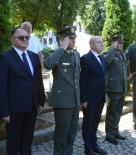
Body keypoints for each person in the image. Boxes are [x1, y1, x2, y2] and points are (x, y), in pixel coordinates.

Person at [1, 27, 45, 155]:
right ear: (12, 40)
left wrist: (41, 101)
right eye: (21, 37)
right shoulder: (5, 58)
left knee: (27, 141)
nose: (25, 40)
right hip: (14, 110)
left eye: (27, 37)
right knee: (13, 143)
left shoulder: (34, 57)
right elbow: (2, 86)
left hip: (32, 107)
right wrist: (4, 112)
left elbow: (38, 81)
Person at [43, 26, 80, 155]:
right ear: (63, 39)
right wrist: (61, 48)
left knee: (71, 135)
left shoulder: (76, 54)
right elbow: (47, 64)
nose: (74, 40)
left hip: (75, 101)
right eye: (71, 38)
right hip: (63, 103)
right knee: (61, 135)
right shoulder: (56, 53)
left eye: (74, 38)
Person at [80, 36, 107, 155]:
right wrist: (83, 98)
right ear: (91, 44)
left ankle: (94, 144)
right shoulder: (85, 59)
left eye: (102, 42)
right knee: (88, 123)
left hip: (100, 97)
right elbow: (82, 80)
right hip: (89, 99)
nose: (102, 44)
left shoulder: (101, 58)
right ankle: (88, 148)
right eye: (99, 42)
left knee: (95, 122)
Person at [103, 35, 127, 145]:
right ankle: (109, 134)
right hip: (112, 89)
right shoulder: (109, 54)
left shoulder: (121, 55)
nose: (122, 44)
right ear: (115, 43)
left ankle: (115, 130)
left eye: (122, 42)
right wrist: (112, 48)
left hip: (121, 88)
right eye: (120, 43)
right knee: (111, 113)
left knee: (118, 112)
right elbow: (105, 61)